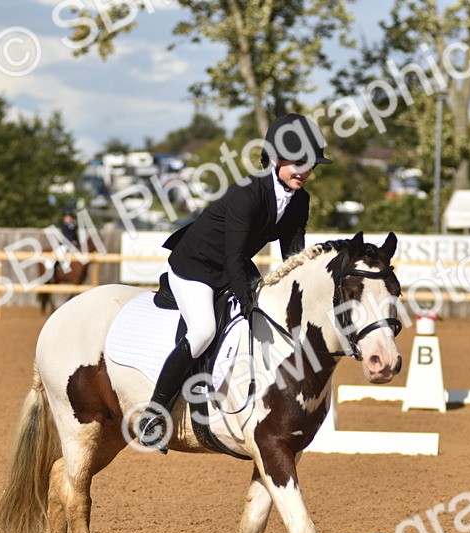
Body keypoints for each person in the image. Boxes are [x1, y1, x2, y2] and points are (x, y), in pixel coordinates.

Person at [136, 113, 330, 452]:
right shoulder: (247, 193)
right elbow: (233, 255)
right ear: (275, 158)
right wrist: (245, 294)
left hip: (233, 264)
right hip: (196, 266)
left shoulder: (300, 200)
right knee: (203, 331)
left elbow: (293, 258)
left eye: (310, 165)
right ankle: (155, 413)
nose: (304, 171)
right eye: (297, 163)